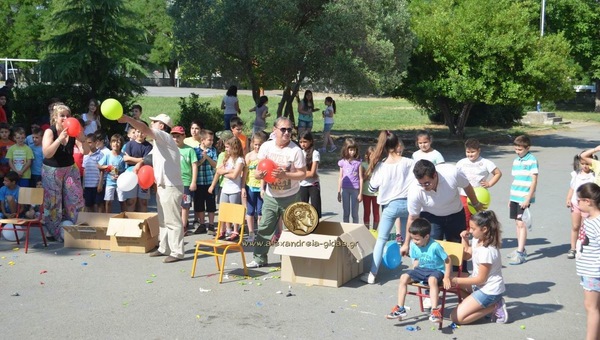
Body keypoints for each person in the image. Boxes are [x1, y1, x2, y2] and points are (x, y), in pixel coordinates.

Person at [118, 113, 185, 263]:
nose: (152, 124)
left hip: (171, 186)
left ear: (161, 125)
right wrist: (140, 164)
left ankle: (177, 251)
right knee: (163, 219)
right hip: (162, 185)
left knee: (173, 220)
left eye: (154, 122)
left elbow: (144, 129)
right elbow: (148, 158)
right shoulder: (158, 143)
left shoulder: (164, 136)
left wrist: (128, 119)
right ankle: (164, 247)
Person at [247, 117, 306, 268]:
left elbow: (302, 174)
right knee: (265, 227)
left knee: (291, 231)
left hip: (291, 196)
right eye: (283, 129)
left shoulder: (296, 150)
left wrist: (285, 175)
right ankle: (259, 258)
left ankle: (288, 261)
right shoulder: (266, 147)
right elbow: (260, 169)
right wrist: (259, 177)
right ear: (275, 130)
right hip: (271, 196)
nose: (287, 133)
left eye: (289, 130)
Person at [362, 131, 415, 284]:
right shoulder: (408, 162)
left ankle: (372, 273)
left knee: (381, 239)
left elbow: (372, 188)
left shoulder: (381, 166)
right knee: (409, 239)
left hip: (390, 206)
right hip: (408, 204)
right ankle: (417, 271)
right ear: (397, 144)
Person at [402, 160, 484, 257]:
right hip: (431, 217)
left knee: (457, 251)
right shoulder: (414, 190)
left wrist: (475, 203)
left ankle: (458, 271)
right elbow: (412, 218)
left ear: (435, 175)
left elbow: (467, 186)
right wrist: (406, 244)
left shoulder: (452, 173)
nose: (424, 187)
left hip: (455, 214)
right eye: (421, 184)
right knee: (433, 250)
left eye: (427, 183)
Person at [386, 218, 451, 323]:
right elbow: (416, 260)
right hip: (421, 269)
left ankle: (435, 311)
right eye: (412, 238)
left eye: (417, 239)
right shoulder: (413, 244)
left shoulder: (435, 246)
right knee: (403, 277)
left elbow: (448, 260)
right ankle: (400, 308)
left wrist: (447, 277)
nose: (414, 242)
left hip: (436, 271)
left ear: (426, 236)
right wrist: (413, 272)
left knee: (432, 280)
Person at [450, 210, 508, 325]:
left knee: (456, 318)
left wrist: (455, 280)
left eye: (473, 228)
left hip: (489, 290)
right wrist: (464, 240)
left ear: (484, 229)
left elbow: (481, 279)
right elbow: (467, 255)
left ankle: (494, 306)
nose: (470, 231)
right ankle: (480, 304)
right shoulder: (478, 240)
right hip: (479, 287)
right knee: (447, 285)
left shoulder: (487, 251)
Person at [42, 103, 88, 242]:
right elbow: (47, 153)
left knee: (75, 198)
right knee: (53, 201)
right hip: (52, 170)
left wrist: (83, 138)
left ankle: (72, 228)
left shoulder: (73, 130)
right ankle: (53, 231)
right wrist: (59, 140)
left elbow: (85, 151)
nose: (65, 118)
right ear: (55, 118)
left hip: (69, 168)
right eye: (62, 116)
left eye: (68, 115)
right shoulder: (50, 131)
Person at [574, 182, 600, 340]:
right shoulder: (590, 219)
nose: (577, 203)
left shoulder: (597, 223)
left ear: (588, 201)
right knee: (594, 307)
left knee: (591, 308)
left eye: (579, 201)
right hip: (588, 270)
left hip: (594, 271)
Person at [456, 138, 502, 228]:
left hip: (479, 196)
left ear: (479, 150)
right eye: (468, 152)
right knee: (465, 217)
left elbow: (498, 173)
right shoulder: (461, 162)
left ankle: (477, 237)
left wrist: (489, 183)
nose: (470, 154)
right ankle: (466, 235)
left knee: (478, 218)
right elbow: (455, 175)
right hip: (464, 194)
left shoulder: (485, 163)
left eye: (473, 152)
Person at [507, 135, 539, 265]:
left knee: (522, 223)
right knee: (517, 223)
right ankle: (520, 248)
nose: (517, 152)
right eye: (516, 149)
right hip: (515, 195)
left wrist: (528, 198)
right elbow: (515, 180)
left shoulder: (532, 160)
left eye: (520, 149)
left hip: (524, 198)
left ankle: (520, 253)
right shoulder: (516, 161)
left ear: (527, 147)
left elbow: (534, 180)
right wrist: (510, 197)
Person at [215, 137, 245, 241]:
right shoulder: (227, 158)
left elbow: (235, 175)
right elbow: (218, 170)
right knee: (223, 210)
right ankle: (223, 230)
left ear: (234, 147)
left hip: (234, 189)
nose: (226, 149)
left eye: (228, 147)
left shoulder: (240, 160)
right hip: (225, 188)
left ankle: (235, 231)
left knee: (234, 211)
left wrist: (225, 172)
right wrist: (229, 171)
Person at [566, 155, 595, 259]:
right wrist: (568, 198)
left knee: (585, 228)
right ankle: (573, 248)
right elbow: (572, 188)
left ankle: (583, 247)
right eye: (582, 164)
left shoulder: (593, 176)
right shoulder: (576, 175)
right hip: (576, 203)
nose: (585, 166)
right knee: (575, 226)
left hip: (587, 206)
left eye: (587, 164)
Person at [170, 126, 198, 233]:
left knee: (185, 205)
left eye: (178, 136)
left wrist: (193, 182)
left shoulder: (189, 150)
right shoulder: (170, 150)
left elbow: (194, 166)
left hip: (186, 182)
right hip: (173, 182)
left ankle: (183, 226)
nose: (176, 139)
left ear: (184, 136)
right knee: (174, 205)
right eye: (174, 137)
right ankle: (175, 226)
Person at [122, 123, 153, 212]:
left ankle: (142, 222)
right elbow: (126, 159)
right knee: (131, 201)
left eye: (143, 132)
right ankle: (130, 222)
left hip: (144, 175)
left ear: (146, 134)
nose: (140, 134)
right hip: (131, 174)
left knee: (143, 201)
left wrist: (132, 159)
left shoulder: (149, 146)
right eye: (138, 132)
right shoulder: (129, 144)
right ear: (135, 132)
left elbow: (147, 160)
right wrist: (141, 159)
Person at [192, 129, 217, 235]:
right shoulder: (194, 151)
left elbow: (215, 164)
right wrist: (202, 159)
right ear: (202, 140)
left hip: (210, 182)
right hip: (199, 182)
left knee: (211, 205)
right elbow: (194, 165)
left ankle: (211, 225)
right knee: (199, 204)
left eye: (212, 140)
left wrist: (207, 157)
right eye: (209, 140)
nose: (211, 142)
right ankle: (202, 224)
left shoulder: (213, 150)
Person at [243, 132, 266, 242]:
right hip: (250, 186)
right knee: (250, 211)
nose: (257, 147)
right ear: (252, 144)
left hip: (260, 188)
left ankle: (261, 233)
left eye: (260, 145)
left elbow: (264, 174)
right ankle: (251, 232)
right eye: (256, 144)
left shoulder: (264, 157)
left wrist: (262, 188)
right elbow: (245, 173)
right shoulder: (249, 156)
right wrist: (243, 188)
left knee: (260, 211)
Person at [98, 134, 126, 213]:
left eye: (118, 142)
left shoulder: (123, 156)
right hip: (110, 182)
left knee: (122, 201)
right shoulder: (108, 155)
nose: (115, 144)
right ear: (110, 143)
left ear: (121, 144)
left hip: (121, 183)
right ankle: (108, 218)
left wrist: (120, 175)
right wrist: (107, 167)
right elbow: (99, 165)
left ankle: (124, 217)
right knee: (108, 201)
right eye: (113, 142)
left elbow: (126, 169)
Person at [337, 138, 363, 223]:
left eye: (354, 150)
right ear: (346, 150)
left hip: (355, 190)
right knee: (346, 213)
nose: (352, 152)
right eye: (350, 150)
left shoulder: (358, 163)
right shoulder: (342, 162)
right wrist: (339, 192)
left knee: (354, 213)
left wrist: (360, 193)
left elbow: (361, 178)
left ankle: (355, 231)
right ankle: (346, 231)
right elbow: (340, 177)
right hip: (345, 190)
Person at [298, 131, 321, 218]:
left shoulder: (315, 153)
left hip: (313, 185)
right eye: (300, 142)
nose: (302, 144)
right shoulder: (299, 152)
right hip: (302, 185)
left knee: (315, 209)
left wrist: (300, 174)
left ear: (310, 141)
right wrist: (300, 173)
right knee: (302, 209)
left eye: (305, 142)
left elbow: (312, 173)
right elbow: (295, 170)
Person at [82, 133, 104, 212]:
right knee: (88, 204)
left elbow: (102, 170)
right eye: (86, 143)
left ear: (95, 142)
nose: (88, 145)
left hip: (96, 184)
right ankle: (90, 221)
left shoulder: (100, 155)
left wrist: (100, 183)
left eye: (90, 142)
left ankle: (99, 222)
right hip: (88, 184)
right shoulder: (85, 155)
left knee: (98, 204)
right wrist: (83, 184)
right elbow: (84, 170)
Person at [361, 146, 379, 230]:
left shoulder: (379, 165)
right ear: (367, 156)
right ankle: (366, 229)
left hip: (376, 193)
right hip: (366, 192)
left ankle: (375, 230)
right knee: (367, 211)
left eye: (375, 156)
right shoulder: (363, 165)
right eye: (371, 155)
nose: (373, 158)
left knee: (376, 212)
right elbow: (362, 179)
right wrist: (367, 173)